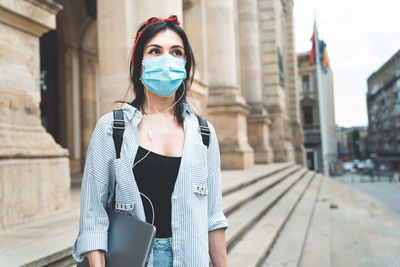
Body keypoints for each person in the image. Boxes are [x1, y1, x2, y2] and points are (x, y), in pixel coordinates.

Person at [71, 15, 229, 267]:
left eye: (176, 52)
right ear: (139, 63)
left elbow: (213, 218)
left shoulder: (204, 134)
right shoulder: (112, 129)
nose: (167, 59)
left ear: (185, 64)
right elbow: (93, 216)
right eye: (155, 50)